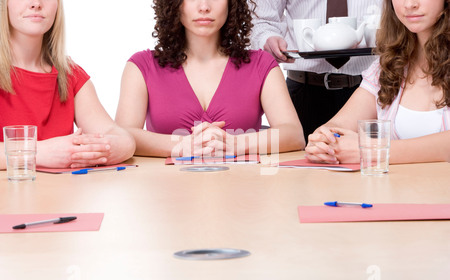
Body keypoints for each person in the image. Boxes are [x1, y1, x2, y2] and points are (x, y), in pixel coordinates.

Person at [115, 0, 304, 158]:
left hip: (244, 191)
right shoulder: (141, 66)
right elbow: (123, 136)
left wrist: (234, 144)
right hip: (165, 194)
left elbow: (294, 134)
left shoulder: (262, 64)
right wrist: (183, 145)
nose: (204, 7)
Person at [305, 0, 450, 164]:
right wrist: (323, 139)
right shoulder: (387, 66)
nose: (410, 4)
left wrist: (372, 150)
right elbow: (338, 125)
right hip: (399, 188)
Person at [0, 0, 135, 170]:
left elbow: (123, 140)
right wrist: (39, 152)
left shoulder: (70, 74)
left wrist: (91, 151)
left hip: (61, 194)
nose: (36, 3)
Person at [251, 0, 382, 142]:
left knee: (373, 158)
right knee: (296, 160)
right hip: (303, 91)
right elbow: (260, 18)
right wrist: (267, 38)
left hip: (372, 90)